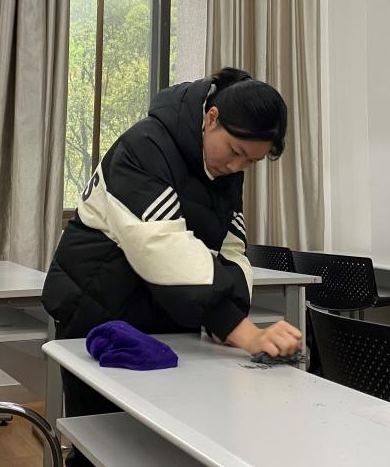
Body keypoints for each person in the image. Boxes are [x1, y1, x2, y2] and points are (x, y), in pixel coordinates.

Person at [43, 67, 302, 465]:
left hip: (164, 316)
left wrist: (227, 317)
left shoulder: (224, 168)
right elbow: (162, 247)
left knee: (163, 444)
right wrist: (242, 331)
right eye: (235, 151)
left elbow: (232, 247)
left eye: (251, 162)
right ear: (211, 118)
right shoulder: (144, 147)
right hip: (98, 312)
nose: (237, 167)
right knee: (105, 443)